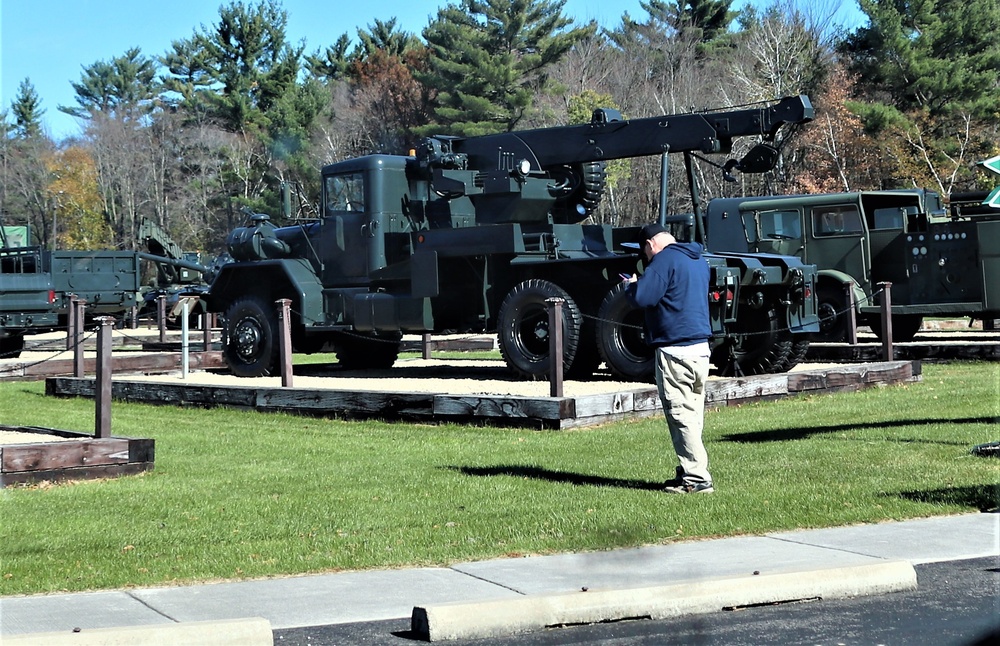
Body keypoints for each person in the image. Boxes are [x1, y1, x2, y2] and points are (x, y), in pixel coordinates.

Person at [624, 223, 714, 494]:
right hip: (701, 348)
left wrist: (631, 286)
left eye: (645, 252)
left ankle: (697, 479)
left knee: (679, 414)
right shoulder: (697, 259)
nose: (647, 258)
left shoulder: (663, 261)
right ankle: (688, 470)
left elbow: (643, 297)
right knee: (693, 414)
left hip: (675, 349)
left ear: (651, 244)